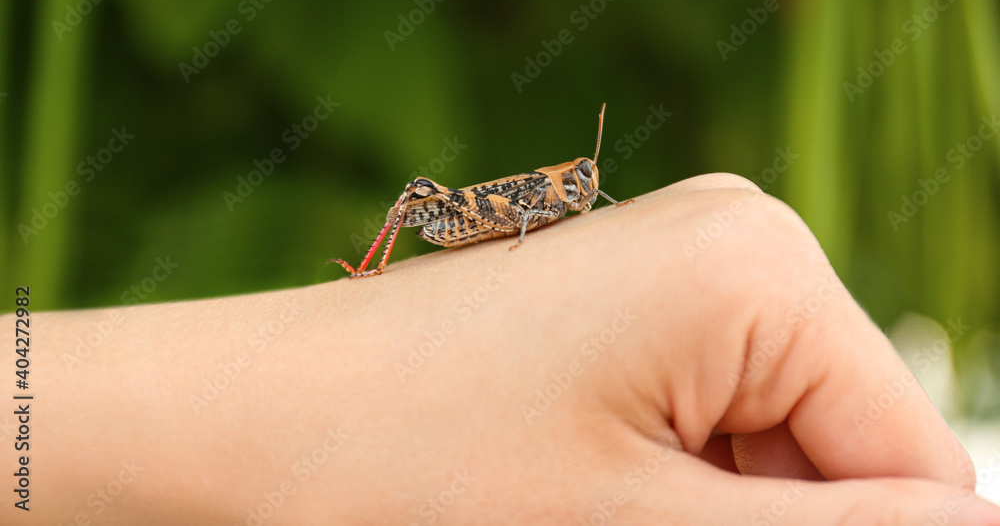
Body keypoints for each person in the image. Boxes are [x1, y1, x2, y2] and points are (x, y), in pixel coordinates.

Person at [5, 174, 998, 525]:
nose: (587, 188)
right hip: (474, 216)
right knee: (421, 195)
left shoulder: (580, 193)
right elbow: (532, 213)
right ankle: (367, 269)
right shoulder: (545, 193)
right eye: (584, 180)